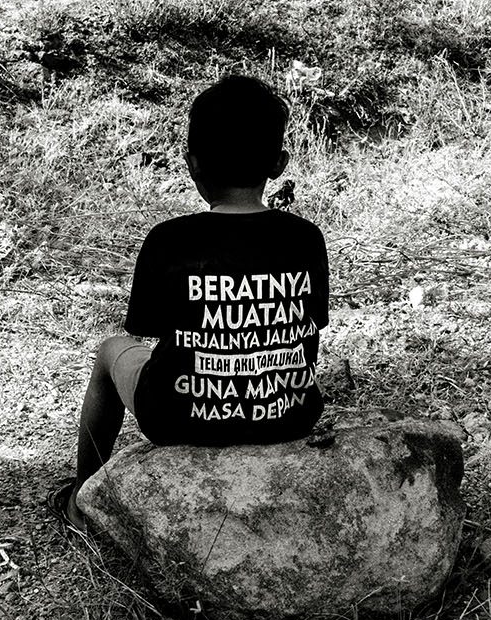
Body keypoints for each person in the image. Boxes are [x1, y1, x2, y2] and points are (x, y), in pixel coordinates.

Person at [50, 75, 330, 530]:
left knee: (110, 351)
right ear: (278, 163)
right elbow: (309, 324)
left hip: (179, 417)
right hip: (287, 416)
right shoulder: (305, 238)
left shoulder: (169, 241)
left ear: (192, 164)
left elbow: (147, 330)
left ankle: (82, 501)